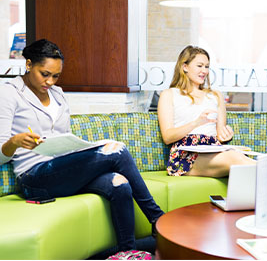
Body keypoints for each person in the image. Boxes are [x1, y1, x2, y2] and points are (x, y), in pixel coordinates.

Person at [0, 39, 164, 257]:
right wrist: (15, 142)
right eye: (44, 73)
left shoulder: (58, 95)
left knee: (119, 183)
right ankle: (158, 219)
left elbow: (63, 139)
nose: (50, 81)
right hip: (34, 177)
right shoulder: (8, 93)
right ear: (29, 64)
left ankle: (126, 252)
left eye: (56, 76)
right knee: (116, 150)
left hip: (63, 170)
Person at [157, 45, 255, 177]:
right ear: (185, 67)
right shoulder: (169, 94)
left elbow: (220, 134)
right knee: (235, 158)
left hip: (212, 148)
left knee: (240, 157)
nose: (205, 70)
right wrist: (196, 123)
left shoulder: (215, 95)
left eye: (207, 66)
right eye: (200, 66)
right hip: (185, 155)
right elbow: (168, 137)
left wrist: (226, 135)